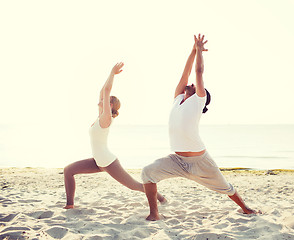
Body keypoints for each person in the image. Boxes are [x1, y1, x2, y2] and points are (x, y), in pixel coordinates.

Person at [141, 34, 260, 221]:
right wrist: (191, 51)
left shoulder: (198, 101)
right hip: (177, 160)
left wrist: (199, 52)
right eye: (190, 85)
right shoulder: (178, 99)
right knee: (147, 172)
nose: (190, 84)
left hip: (200, 161)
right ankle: (154, 213)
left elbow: (198, 71)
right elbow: (186, 72)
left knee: (225, 187)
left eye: (194, 86)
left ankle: (245, 208)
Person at [63, 63, 166, 209]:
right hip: (98, 161)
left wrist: (112, 73)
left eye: (106, 99)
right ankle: (69, 205)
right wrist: (109, 76)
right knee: (68, 170)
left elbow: (106, 90)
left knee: (134, 186)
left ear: (109, 105)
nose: (102, 98)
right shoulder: (100, 117)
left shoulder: (106, 118)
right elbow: (102, 90)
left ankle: (161, 198)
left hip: (108, 161)